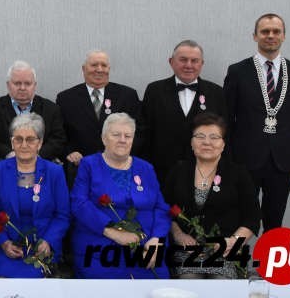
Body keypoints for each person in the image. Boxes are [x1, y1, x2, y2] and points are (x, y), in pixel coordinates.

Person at [223, 13, 290, 231]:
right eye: (265, 31)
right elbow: (226, 120)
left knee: (274, 222)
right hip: (244, 160)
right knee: (240, 219)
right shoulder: (238, 71)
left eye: (276, 31)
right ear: (255, 36)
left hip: (283, 162)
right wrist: (227, 161)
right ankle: (236, 266)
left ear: (284, 36)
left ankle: (268, 266)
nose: (271, 36)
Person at [70, 113, 170, 279]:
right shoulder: (89, 165)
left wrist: (157, 240)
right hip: (99, 247)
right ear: (104, 138)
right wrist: (114, 233)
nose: (122, 139)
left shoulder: (146, 168)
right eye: (116, 135)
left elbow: (160, 207)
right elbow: (79, 204)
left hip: (145, 248)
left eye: (128, 135)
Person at [162, 113, 260, 279]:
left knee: (220, 285)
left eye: (214, 137)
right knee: (189, 282)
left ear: (223, 144)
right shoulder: (178, 171)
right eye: (200, 136)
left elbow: (252, 217)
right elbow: (164, 209)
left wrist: (233, 241)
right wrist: (178, 235)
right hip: (187, 250)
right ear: (192, 142)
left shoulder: (238, 173)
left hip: (225, 250)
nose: (207, 142)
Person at [0, 113, 69, 278]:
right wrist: (3, 243)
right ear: (12, 142)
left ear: (40, 143)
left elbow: (63, 215)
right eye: (18, 139)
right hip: (9, 250)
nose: (24, 145)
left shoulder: (55, 172)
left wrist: (48, 242)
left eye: (30, 139)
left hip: (42, 249)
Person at [142, 40, 227, 185]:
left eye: (194, 61)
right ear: (171, 62)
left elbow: (224, 135)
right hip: (162, 172)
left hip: (204, 172)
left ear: (201, 64)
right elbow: (145, 132)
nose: (189, 65)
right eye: (183, 60)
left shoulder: (216, 93)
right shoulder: (154, 91)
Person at [56, 50, 141, 186]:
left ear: (109, 69)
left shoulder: (127, 96)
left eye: (104, 65)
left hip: (119, 169)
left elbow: (139, 132)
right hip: (81, 169)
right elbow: (59, 134)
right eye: (94, 65)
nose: (99, 70)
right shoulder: (66, 98)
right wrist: (70, 152)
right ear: (84, 69)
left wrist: (122, 154)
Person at [0, 60, 66, 162]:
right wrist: (8, 153)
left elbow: (58, 139)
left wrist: (36, 155)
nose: (22, 88)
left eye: (27, 83)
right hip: (4, 167)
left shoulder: (51, 109)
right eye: (17, 83)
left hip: (41, 169)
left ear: (35, 85)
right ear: (8, 85)